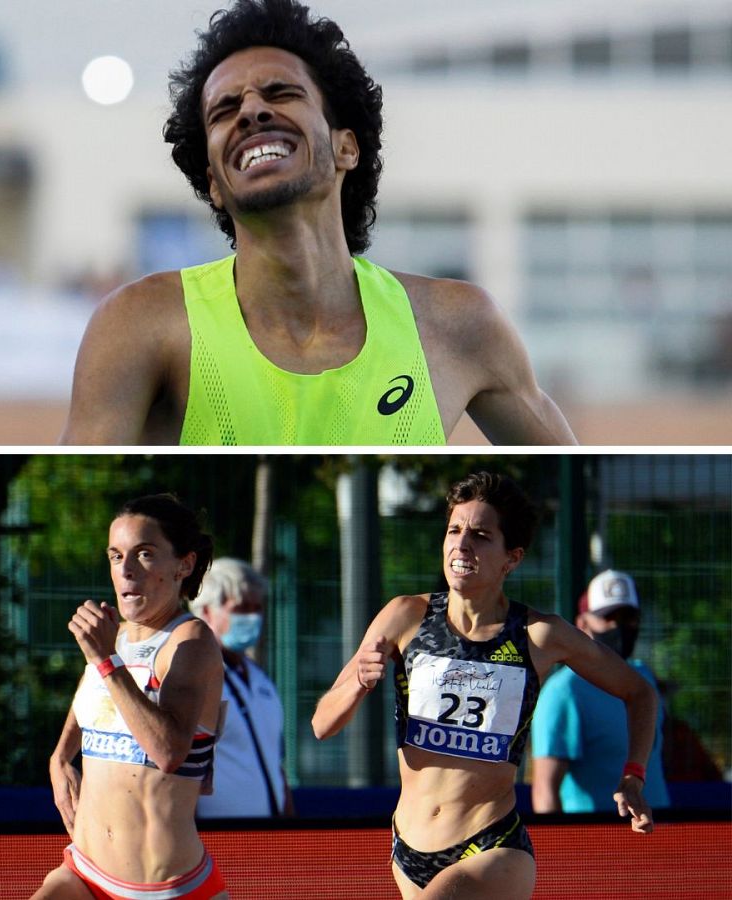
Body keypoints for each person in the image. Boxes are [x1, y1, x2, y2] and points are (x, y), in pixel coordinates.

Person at [60, 0, 575, 446]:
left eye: (281, 93)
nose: (252, 111)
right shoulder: (141, 323)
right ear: (215, 183)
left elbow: (578, 474)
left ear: (346, 146)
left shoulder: (459, 326)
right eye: (224, 110)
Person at [312, 473, 656, 899]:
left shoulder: (538, 635)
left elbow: (639, 691)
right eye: (454, 530)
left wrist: (634, 776)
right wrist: (356, 686)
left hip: (491, 846)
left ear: (511, 558)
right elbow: (321, 725)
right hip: (409, 850)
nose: (461, 544)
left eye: (479, 535)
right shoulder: (404, 616)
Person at [33, 494, 229, 900]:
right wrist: (59, 756)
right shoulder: (115, 636)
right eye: (116, 555)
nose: (125, 569)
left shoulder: (191, 642)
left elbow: (169, 751)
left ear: (184, 565)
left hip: (168, 889)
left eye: (144, 554)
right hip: (84, 872)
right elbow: (92, 697)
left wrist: (106, 660)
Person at [532, 570, 671, 814]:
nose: (619, 627)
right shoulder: (564, 692)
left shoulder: (643, 679)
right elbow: (545, 790)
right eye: (608, 618)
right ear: (582, 624)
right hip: (597, 844)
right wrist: (554, 849)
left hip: (659, 836)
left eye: (628, 618)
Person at [190, 557, 293, 819]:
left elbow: (276, 765)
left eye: (257, 608)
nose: (252, 617)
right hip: (218, 839)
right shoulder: (192, 675)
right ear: (206, 612)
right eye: (241, 608)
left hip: (268, 839)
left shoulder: (260, 680)